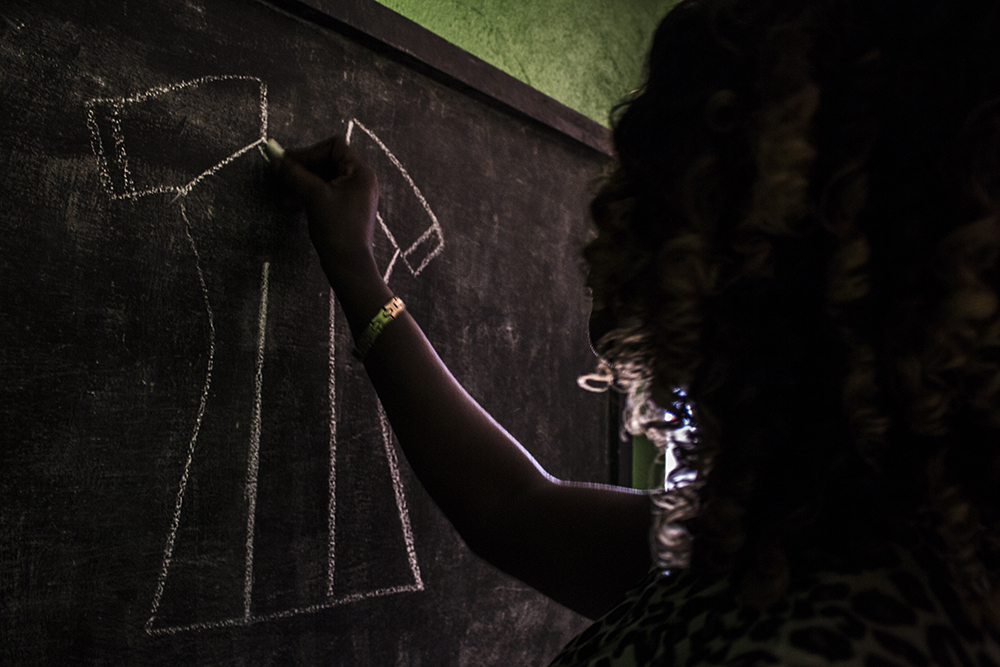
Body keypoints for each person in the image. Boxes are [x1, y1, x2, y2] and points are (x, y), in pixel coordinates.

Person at [269, 0, 1000, 662]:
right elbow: (512, 505)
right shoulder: (801, 541)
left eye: (650, 215)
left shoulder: (843, 624)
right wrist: (357, 269)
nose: (608, 321)